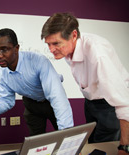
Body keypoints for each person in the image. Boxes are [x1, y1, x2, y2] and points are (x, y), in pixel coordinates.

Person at [41, 12, 129, 154]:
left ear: (74, 35)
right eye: (48, 44)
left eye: (56, 43)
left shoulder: (98, 54)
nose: (51, 50)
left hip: (109, 105)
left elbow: (124, 104)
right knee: (93, 146)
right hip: (90, 102)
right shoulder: (68, 49)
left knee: (104, 147)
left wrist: (124, 147)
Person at [0, 28, 74, 136]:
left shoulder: (38, 61)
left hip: (50, 101)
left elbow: (56, 96)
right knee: (37, 144)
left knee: (65, 136)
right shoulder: (2, 74)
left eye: (4, 49)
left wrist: (68, 136)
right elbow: (6, 100)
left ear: (16, 48)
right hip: (31, 104)